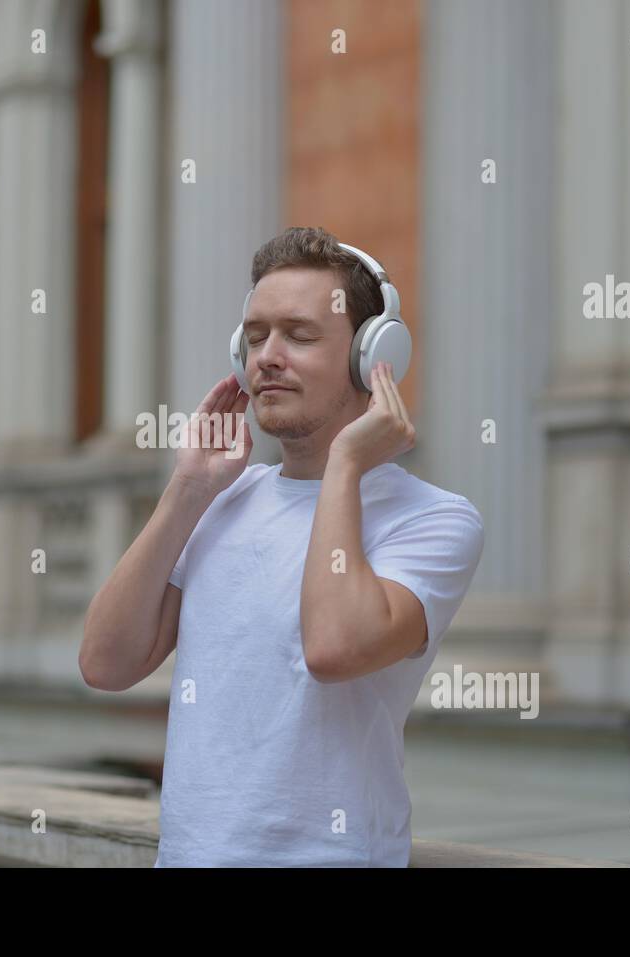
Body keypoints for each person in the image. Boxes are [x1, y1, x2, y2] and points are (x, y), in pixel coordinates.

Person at [79, 226, 484, 866]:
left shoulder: (434, 520)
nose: (268, 356)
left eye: (298, 335)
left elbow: (332, 647)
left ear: (372, 359)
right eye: (256, 335)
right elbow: (105, 663)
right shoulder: (221, 500)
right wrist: (186, 490)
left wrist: (346, 465)